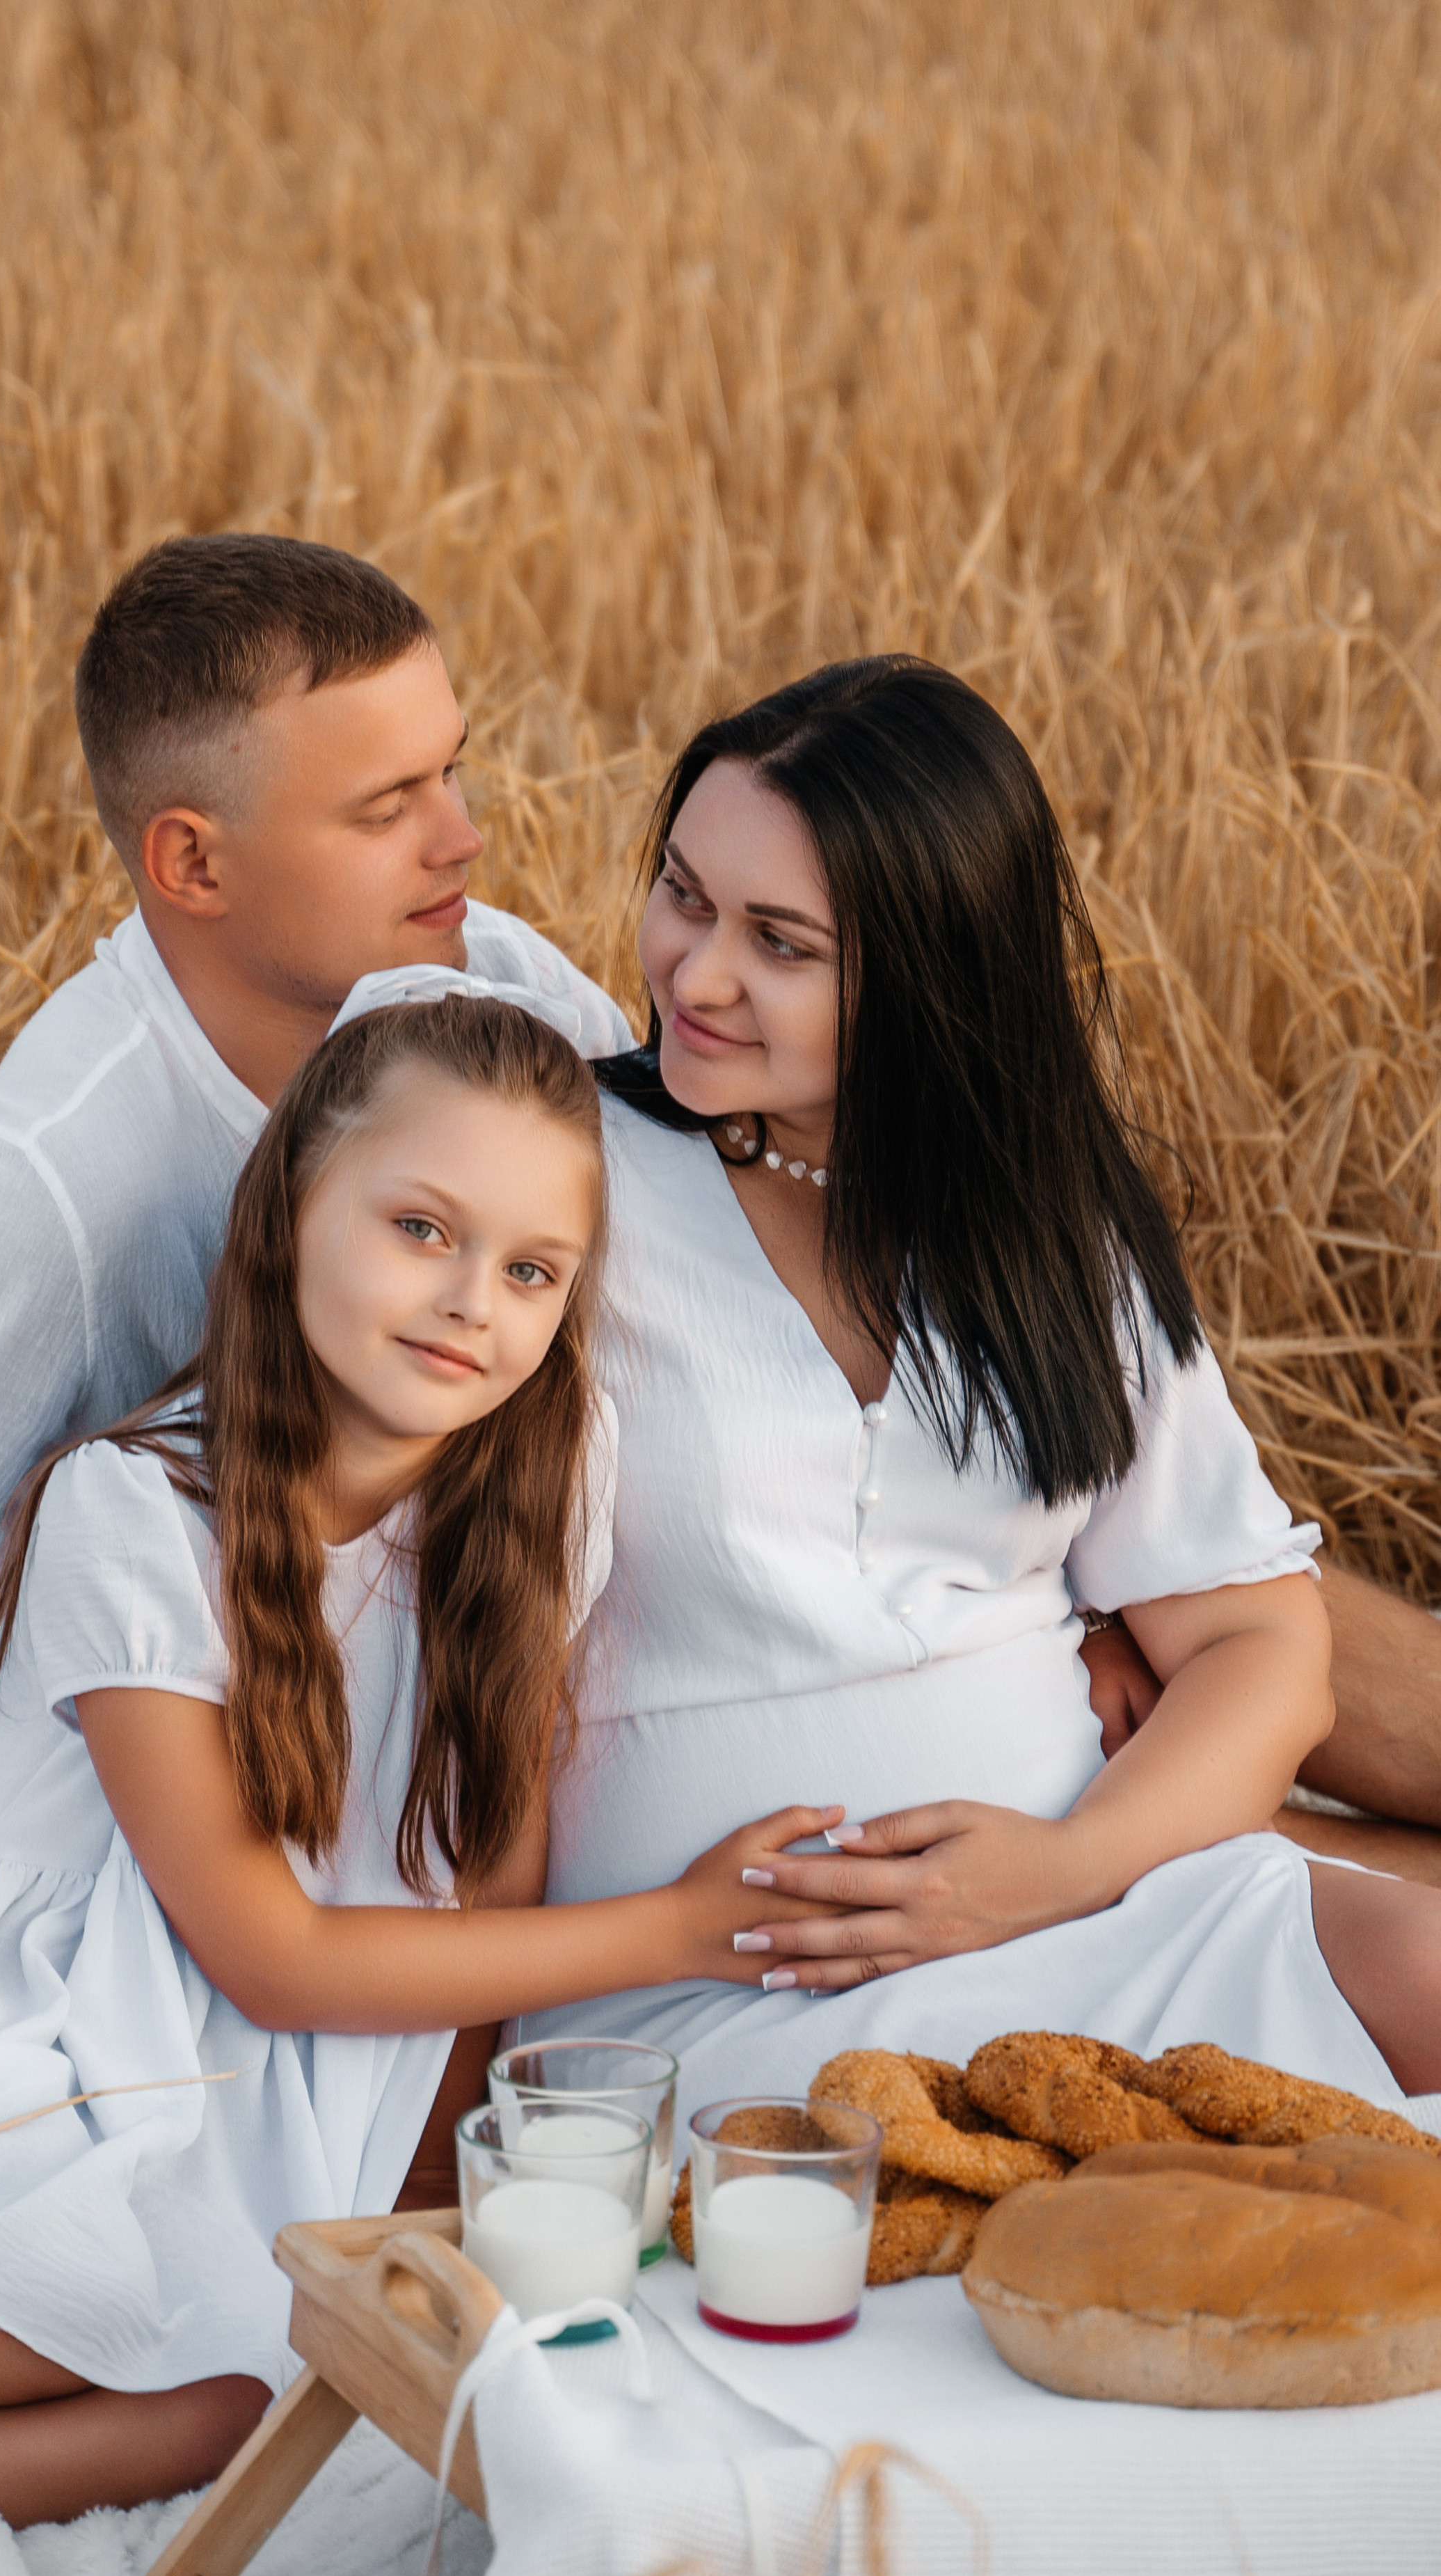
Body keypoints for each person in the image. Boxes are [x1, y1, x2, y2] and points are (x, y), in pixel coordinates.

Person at [0, 990, 832, 2526]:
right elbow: (269, 1954)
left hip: (186, 2031)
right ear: (288, 1214)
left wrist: (439, 2173)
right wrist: (680, 1926)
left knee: (232, 2380)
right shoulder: (132, 1513)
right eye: (422, 1228)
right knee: (76, 2281)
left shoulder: (545, 1477)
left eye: (530, 1269)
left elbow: (495, 1863)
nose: (473, 1299)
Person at [0, 533, 632, 2069]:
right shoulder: (39, 1201)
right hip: (196, 1876)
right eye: (386, 808)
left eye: (450, 770)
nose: (462, 836)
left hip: (458, 1778)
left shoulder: (500, 995)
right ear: (190, 861)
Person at [527, 656, 1441, 2107]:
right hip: (734, 1980)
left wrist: (1061, 1869)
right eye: (682, 895)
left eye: (779, 941)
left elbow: (1257, 1644)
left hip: (1099, 1915)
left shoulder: (1041, 1231)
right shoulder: (553, 1175)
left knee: (1422, 1969)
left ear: (927, 971)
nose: (693, 973)